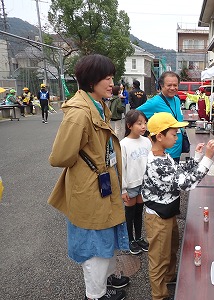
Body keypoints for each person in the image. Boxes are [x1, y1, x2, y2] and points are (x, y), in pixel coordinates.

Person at [48, 54, 130, 300]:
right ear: (92, 80)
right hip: (91, 186)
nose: (111, 83)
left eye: (112, 77)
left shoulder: (97, 104)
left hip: (102, 183)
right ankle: (95, 295)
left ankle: (107, 280)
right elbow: (59, 157)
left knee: (106, 234)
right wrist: (89, 166)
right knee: (95, 242)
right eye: (107, 78)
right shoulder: (80, 113)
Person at [142, 112, 214, 300]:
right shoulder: (157, 161)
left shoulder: (163, 155)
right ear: (159, 136)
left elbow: (178, 170)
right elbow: (186, 183)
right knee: (159, 258)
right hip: (158, 217)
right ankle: (159, 295)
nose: (177, 138)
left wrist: (198, 156)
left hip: (167, 213)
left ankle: (169, 278)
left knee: (171, 249)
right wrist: (207, 159)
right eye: (174, 134)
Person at [120, 109, 151, 255]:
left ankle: (138, 237)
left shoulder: (147, 141)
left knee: (139, 211)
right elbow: (121, 168)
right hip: (130, 185)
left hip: (143, 183)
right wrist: (123, 189)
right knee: (130, 213)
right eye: (139, 123)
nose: (143, 126)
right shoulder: (123, 144)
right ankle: (129, 239)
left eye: (145, 123)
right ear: (129, 125)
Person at [136, 71, 184, 163]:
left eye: (175, 85)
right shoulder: (155, 102)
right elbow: (133, 115)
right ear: (161, 86)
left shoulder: (177, 100)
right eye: (169, 85)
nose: (173, 88)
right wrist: (145, 134)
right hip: (163, 154)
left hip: (177, 150)